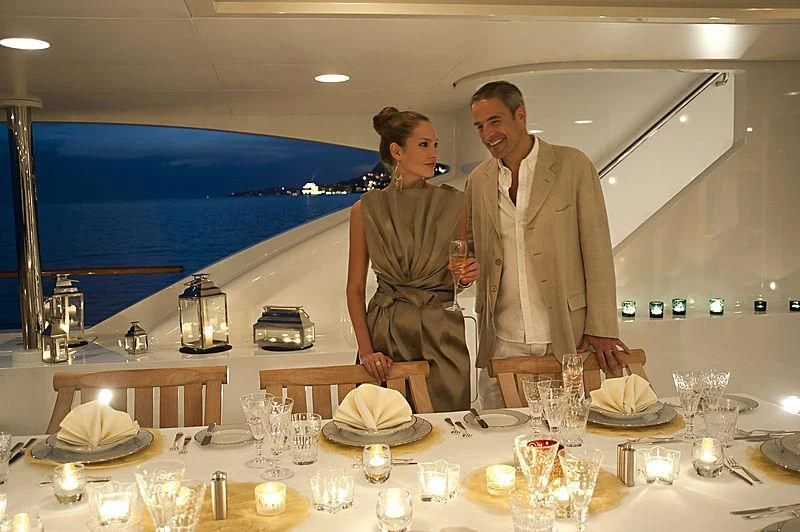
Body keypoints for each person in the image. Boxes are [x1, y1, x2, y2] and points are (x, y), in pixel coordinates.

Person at [465, 81, 628, 409]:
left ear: (520, 115)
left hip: (566, 335)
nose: (486, 134)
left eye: (494, 121)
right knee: (499, 439)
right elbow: (470, 247)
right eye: (479, 126)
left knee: (566, 437)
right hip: (501, 340)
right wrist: (466, 268)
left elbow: (596, 248)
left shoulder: (573, 165)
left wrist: (602, 326)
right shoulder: (478, 181)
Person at [346, 106, 480, 412]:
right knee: (385, 425)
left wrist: (468, 273)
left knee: (449, 425)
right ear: (397, 150)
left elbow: (457, 277)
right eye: (424, 144)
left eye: (435, 145)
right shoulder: (365, 210)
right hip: (387, 333)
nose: (433, 152)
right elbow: (354, 288)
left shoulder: (454, 203)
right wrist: (366, 352)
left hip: (441, 331)